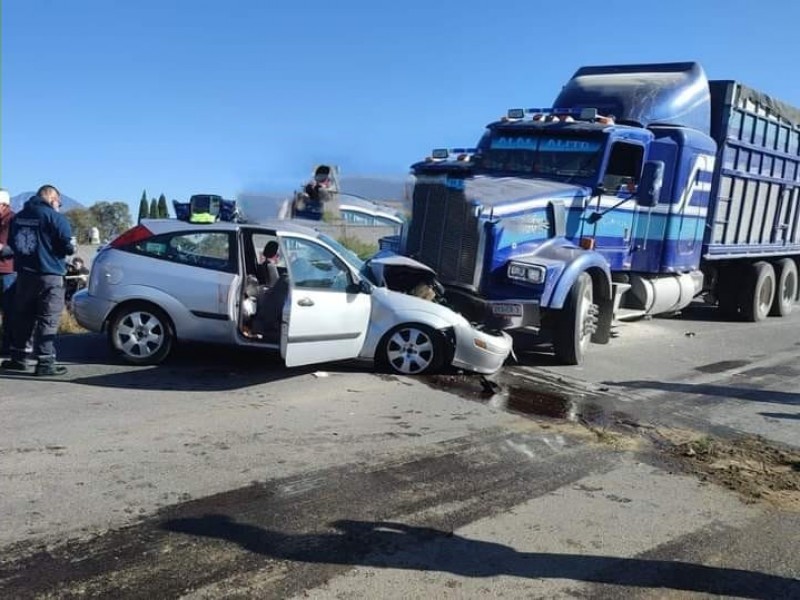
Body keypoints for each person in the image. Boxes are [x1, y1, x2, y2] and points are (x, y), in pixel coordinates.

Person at [1, 185, 75, 376]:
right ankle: (45, 361)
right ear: (52, 199)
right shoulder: (54, 217)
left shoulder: (18, 217)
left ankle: (19, 358)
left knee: (23, 316)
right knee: (47, 318)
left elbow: (12, 245)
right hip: (49, 274)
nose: (59, 205)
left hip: (24, 274)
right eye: (59, 202)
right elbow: (68, 246)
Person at [0, 189, 16, 355]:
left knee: (9, 310)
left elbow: (15, 246)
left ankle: (8, 344)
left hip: (8, 271)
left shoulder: (13, 220)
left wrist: (3, 249)